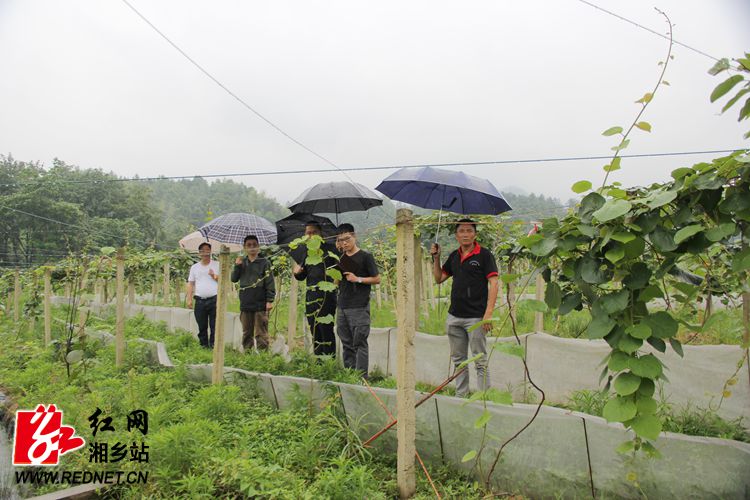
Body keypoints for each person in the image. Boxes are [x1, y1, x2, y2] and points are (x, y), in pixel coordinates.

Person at [430, 218, 499, 397]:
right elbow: (439, 278)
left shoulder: (484, 255)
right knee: (459, 361)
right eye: (462, 231)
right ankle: (461, 397)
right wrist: (436, 258)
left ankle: (484, 399)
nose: (465, 234)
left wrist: (488, 314)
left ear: (475, 234)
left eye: (469, 231)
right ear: (456, 235)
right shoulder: (454, 256)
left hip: (476, 318)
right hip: (454, 317)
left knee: (480, 360)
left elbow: (494, 283)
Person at [335, 223, 380, 379]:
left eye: (347, 239)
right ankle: (349, 376)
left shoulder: (366, 256)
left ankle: (361, 378)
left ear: (354, 236)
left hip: (359, 306)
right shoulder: (340, 258)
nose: (344, 243)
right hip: (342, 305)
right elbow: (338, 282)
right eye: (341, 240)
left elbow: (377, 279)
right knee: (346, 342)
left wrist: (358, 279)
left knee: (359, 342)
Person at [293, 221, 340, 357]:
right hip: (311, 296)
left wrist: (334, 285)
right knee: (314, 329)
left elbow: (338, 270)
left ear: (320, 234)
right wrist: (298, 273)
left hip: (327, 295)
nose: (311, 235)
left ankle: (329, 362)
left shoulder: (330, 249)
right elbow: (302, 275)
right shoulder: (306, 253)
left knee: (326, 329)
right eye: (308, 233)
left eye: (314, 232)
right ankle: (319, 361)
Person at [231, 235, 275, 352]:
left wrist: (269, 300)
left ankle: (263, 353)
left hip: (260, 302)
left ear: (258, 247)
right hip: (246, 301)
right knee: (246, 331)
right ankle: (248, 353)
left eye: (254, 245)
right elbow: (234, 279)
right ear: (245, 247)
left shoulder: (264, 262)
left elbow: (270, 282)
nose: (252, 247)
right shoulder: (242, 262)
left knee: (261, 331)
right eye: (249, 245)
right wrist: (237, 266)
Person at [186, 242, 220, 348]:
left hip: (214, 299)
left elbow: (223, 281)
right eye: (202, 250)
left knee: (214, 324)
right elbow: (191, 283)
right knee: (202, 324)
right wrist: (189, 299)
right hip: (200, 300)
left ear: (211, 251)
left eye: (207, 250)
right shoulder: (194, 267)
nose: (205, 252)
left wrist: (213, 275)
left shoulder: (217, 264)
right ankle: (203, 345)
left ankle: (213, 345)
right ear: (199, 253)